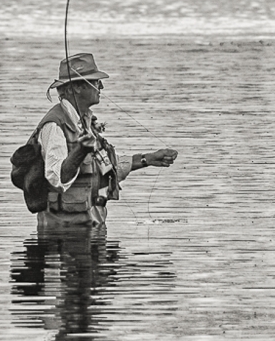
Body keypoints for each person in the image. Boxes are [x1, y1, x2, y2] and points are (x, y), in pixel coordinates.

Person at [31, 52, 178, 228]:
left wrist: (147, 159)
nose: (101, 87)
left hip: (90, 238)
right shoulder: (55, 126)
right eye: (95, 81)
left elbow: (105, 167)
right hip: (64, 239)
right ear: (76, 87)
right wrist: (80, 151)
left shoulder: (85, 122)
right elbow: (57, 179)